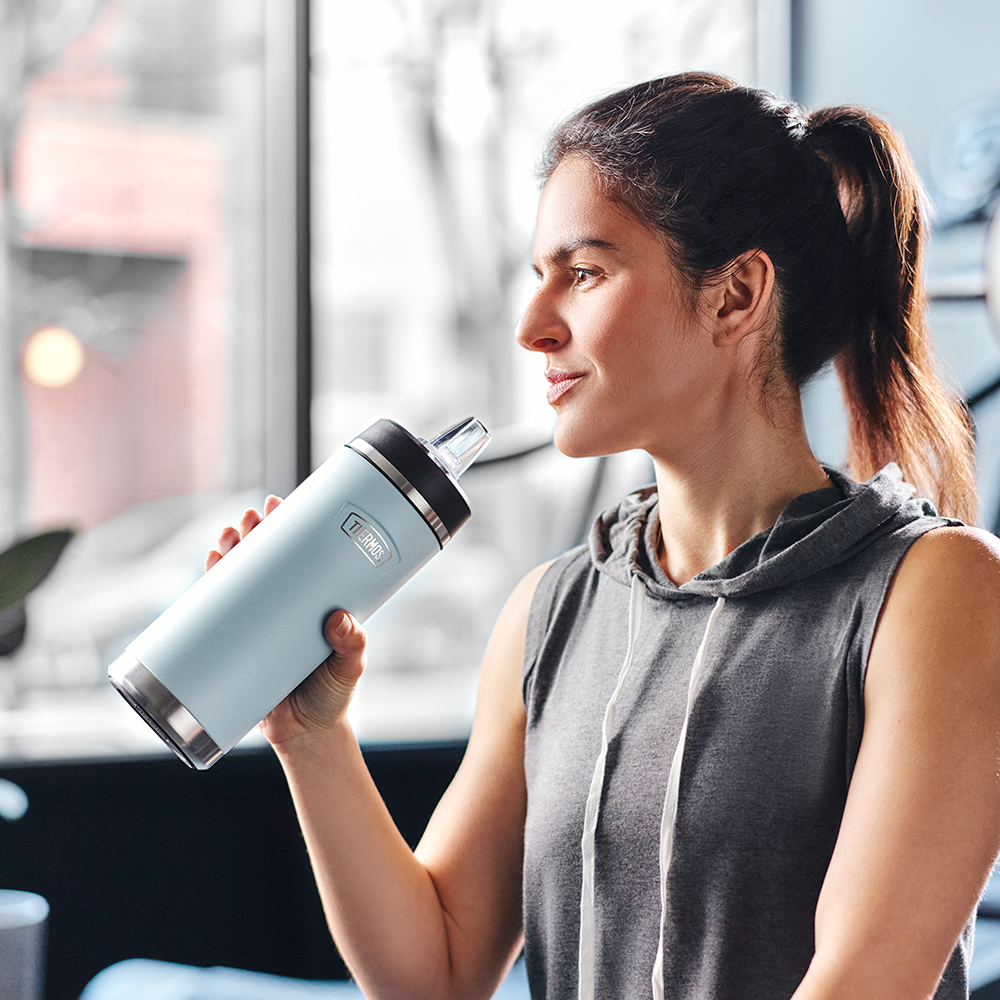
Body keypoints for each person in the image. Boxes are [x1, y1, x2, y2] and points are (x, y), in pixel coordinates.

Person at [208, 73, 1000, 1000]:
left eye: (582, 273)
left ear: (737, 295)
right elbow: (439, 972)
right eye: (538, 276)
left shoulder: (936, 592)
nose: (533, 326)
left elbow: (867, 981)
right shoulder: (550, 612)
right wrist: (314, 737)